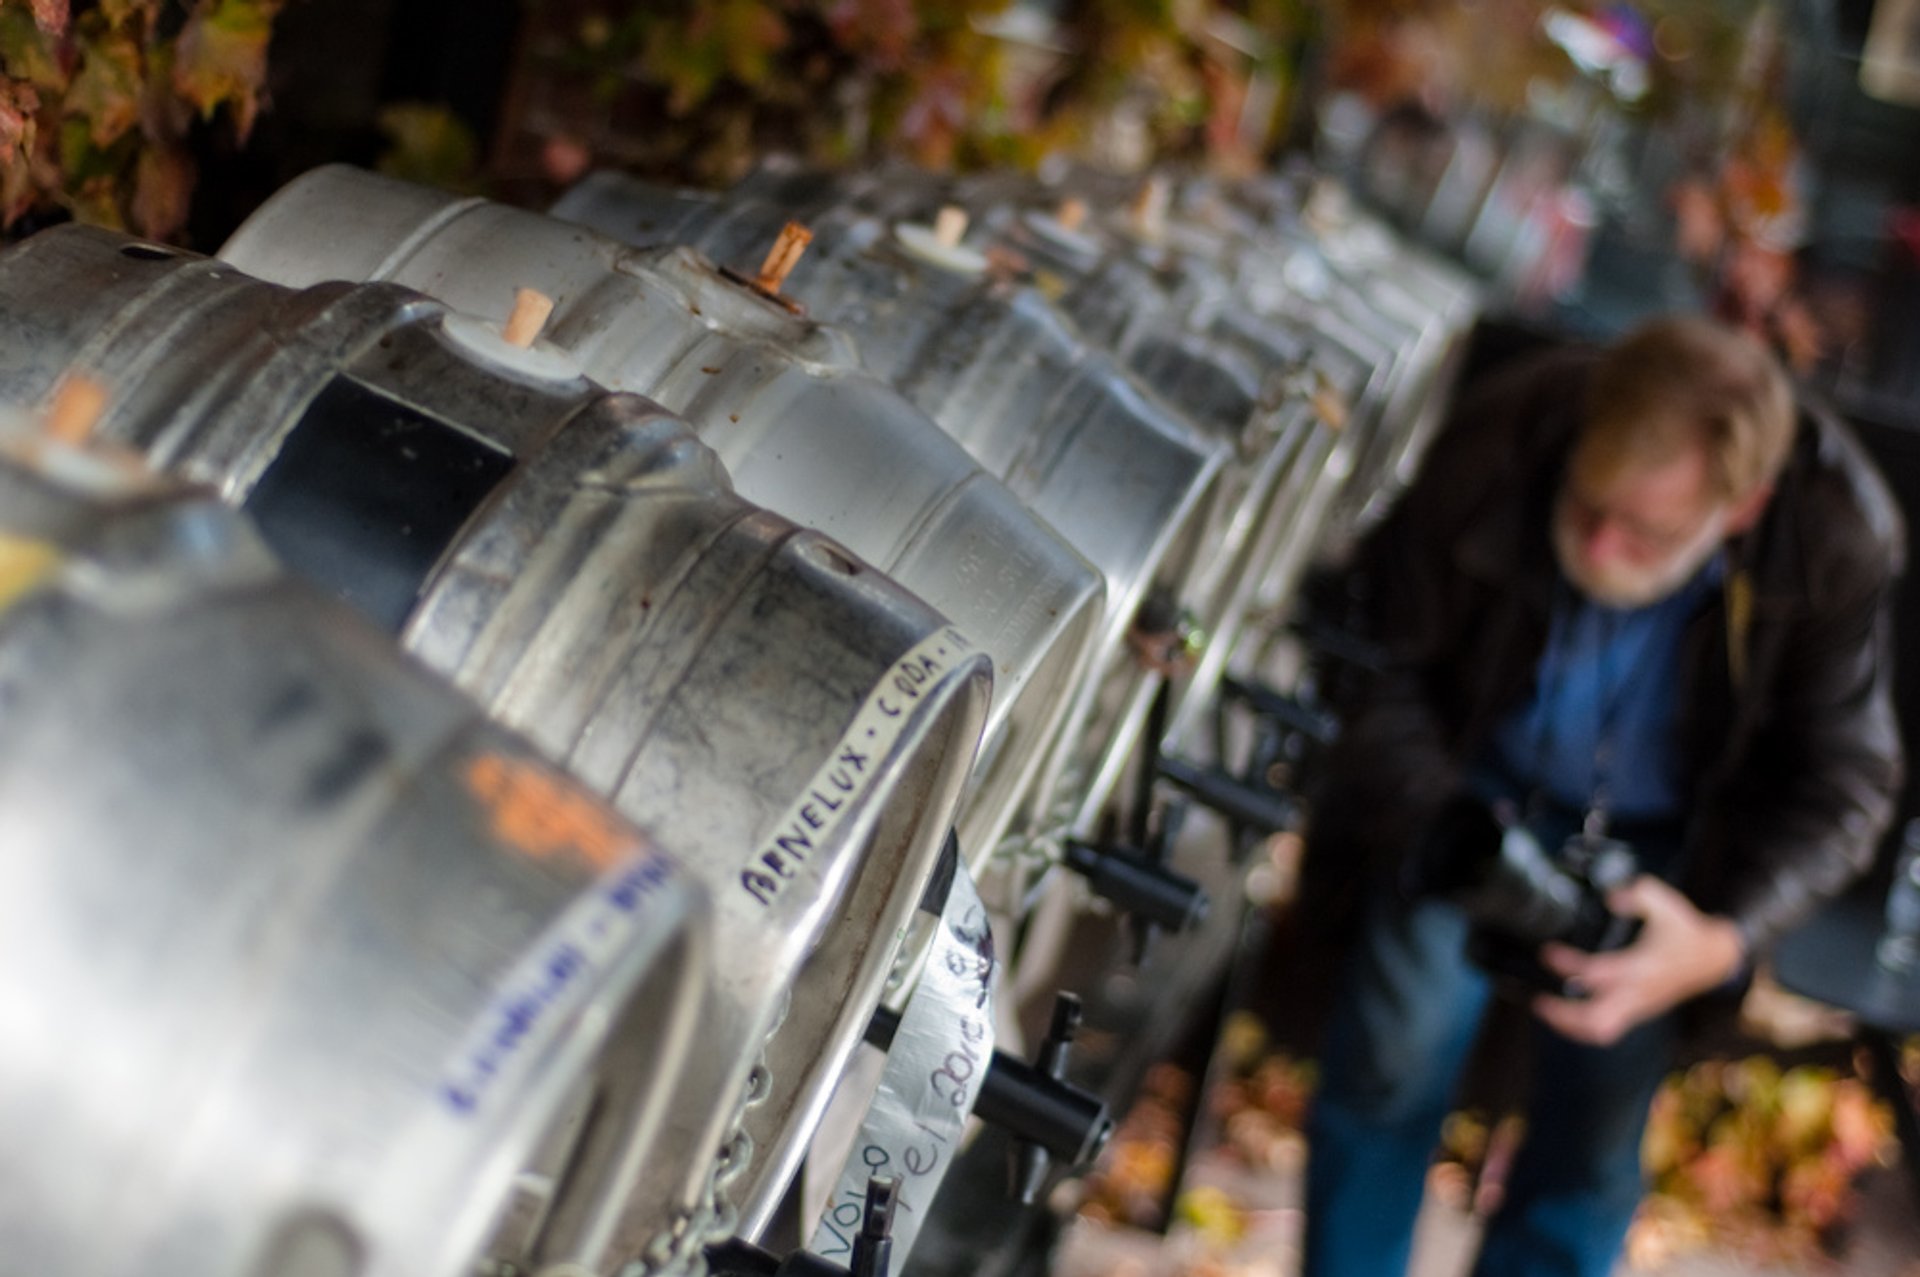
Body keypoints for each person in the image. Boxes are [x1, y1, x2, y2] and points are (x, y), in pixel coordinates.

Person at [1300, 314, 1904, 1277]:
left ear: (1740, 507)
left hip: (1677, 853)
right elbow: (1376, 657)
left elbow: (1847, 780)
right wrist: (1437, 818)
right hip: (1468, 795)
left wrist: (1720, 936)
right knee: (1387, 1066)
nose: (1602, 540)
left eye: (1647, 529)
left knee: (1594, 1133)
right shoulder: (1506, 432)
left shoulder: (1835, 536)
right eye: (1589, 503)